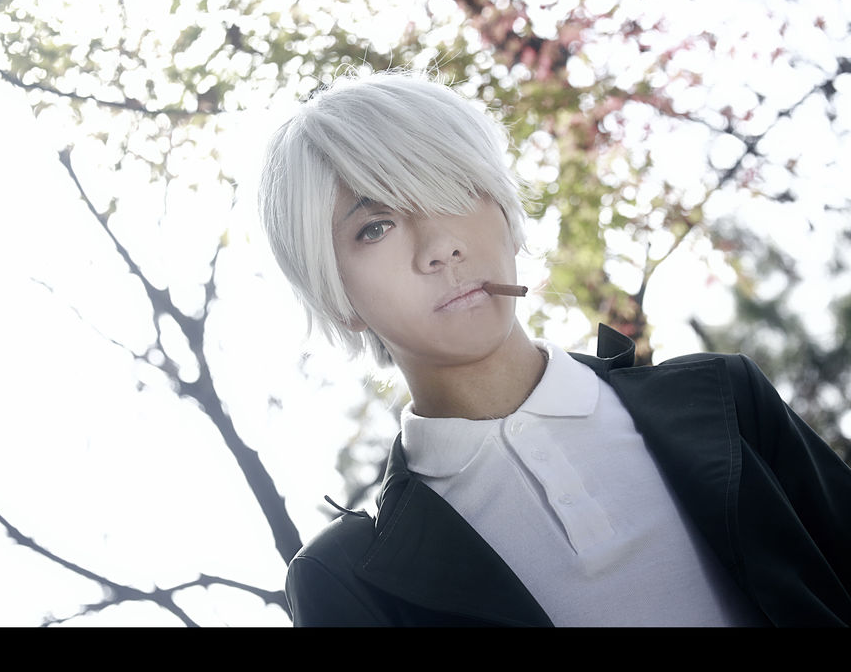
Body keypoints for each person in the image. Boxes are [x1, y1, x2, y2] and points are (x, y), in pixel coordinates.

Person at [258, 69, 851, 627]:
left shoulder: (723, 397)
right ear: (335, 295)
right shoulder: (346, 580)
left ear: (505, 210)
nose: (440, 247)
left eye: (450, 188)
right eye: (376, 227)